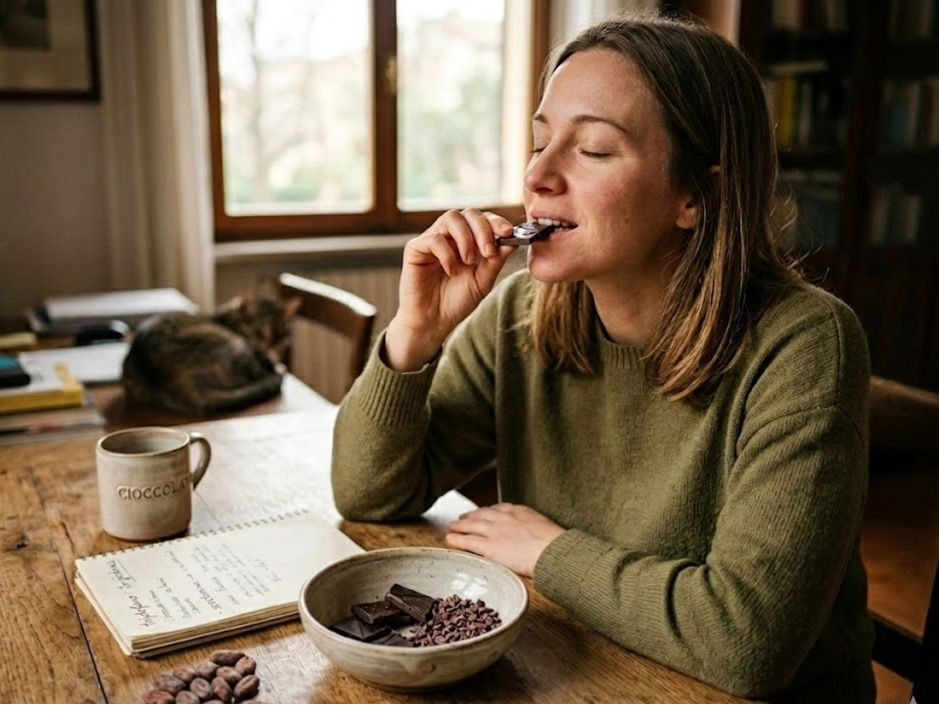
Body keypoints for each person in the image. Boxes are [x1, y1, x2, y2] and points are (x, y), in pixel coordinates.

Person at [331, 11, 874, 703]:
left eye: (591, 149)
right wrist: (412, 335)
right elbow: (367, 492)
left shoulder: (805, 345)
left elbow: (747, 642)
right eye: (538, 142)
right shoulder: (518, 311)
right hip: (580, 664)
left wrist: (547, 552)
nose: (538, 175)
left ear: (693, 196)